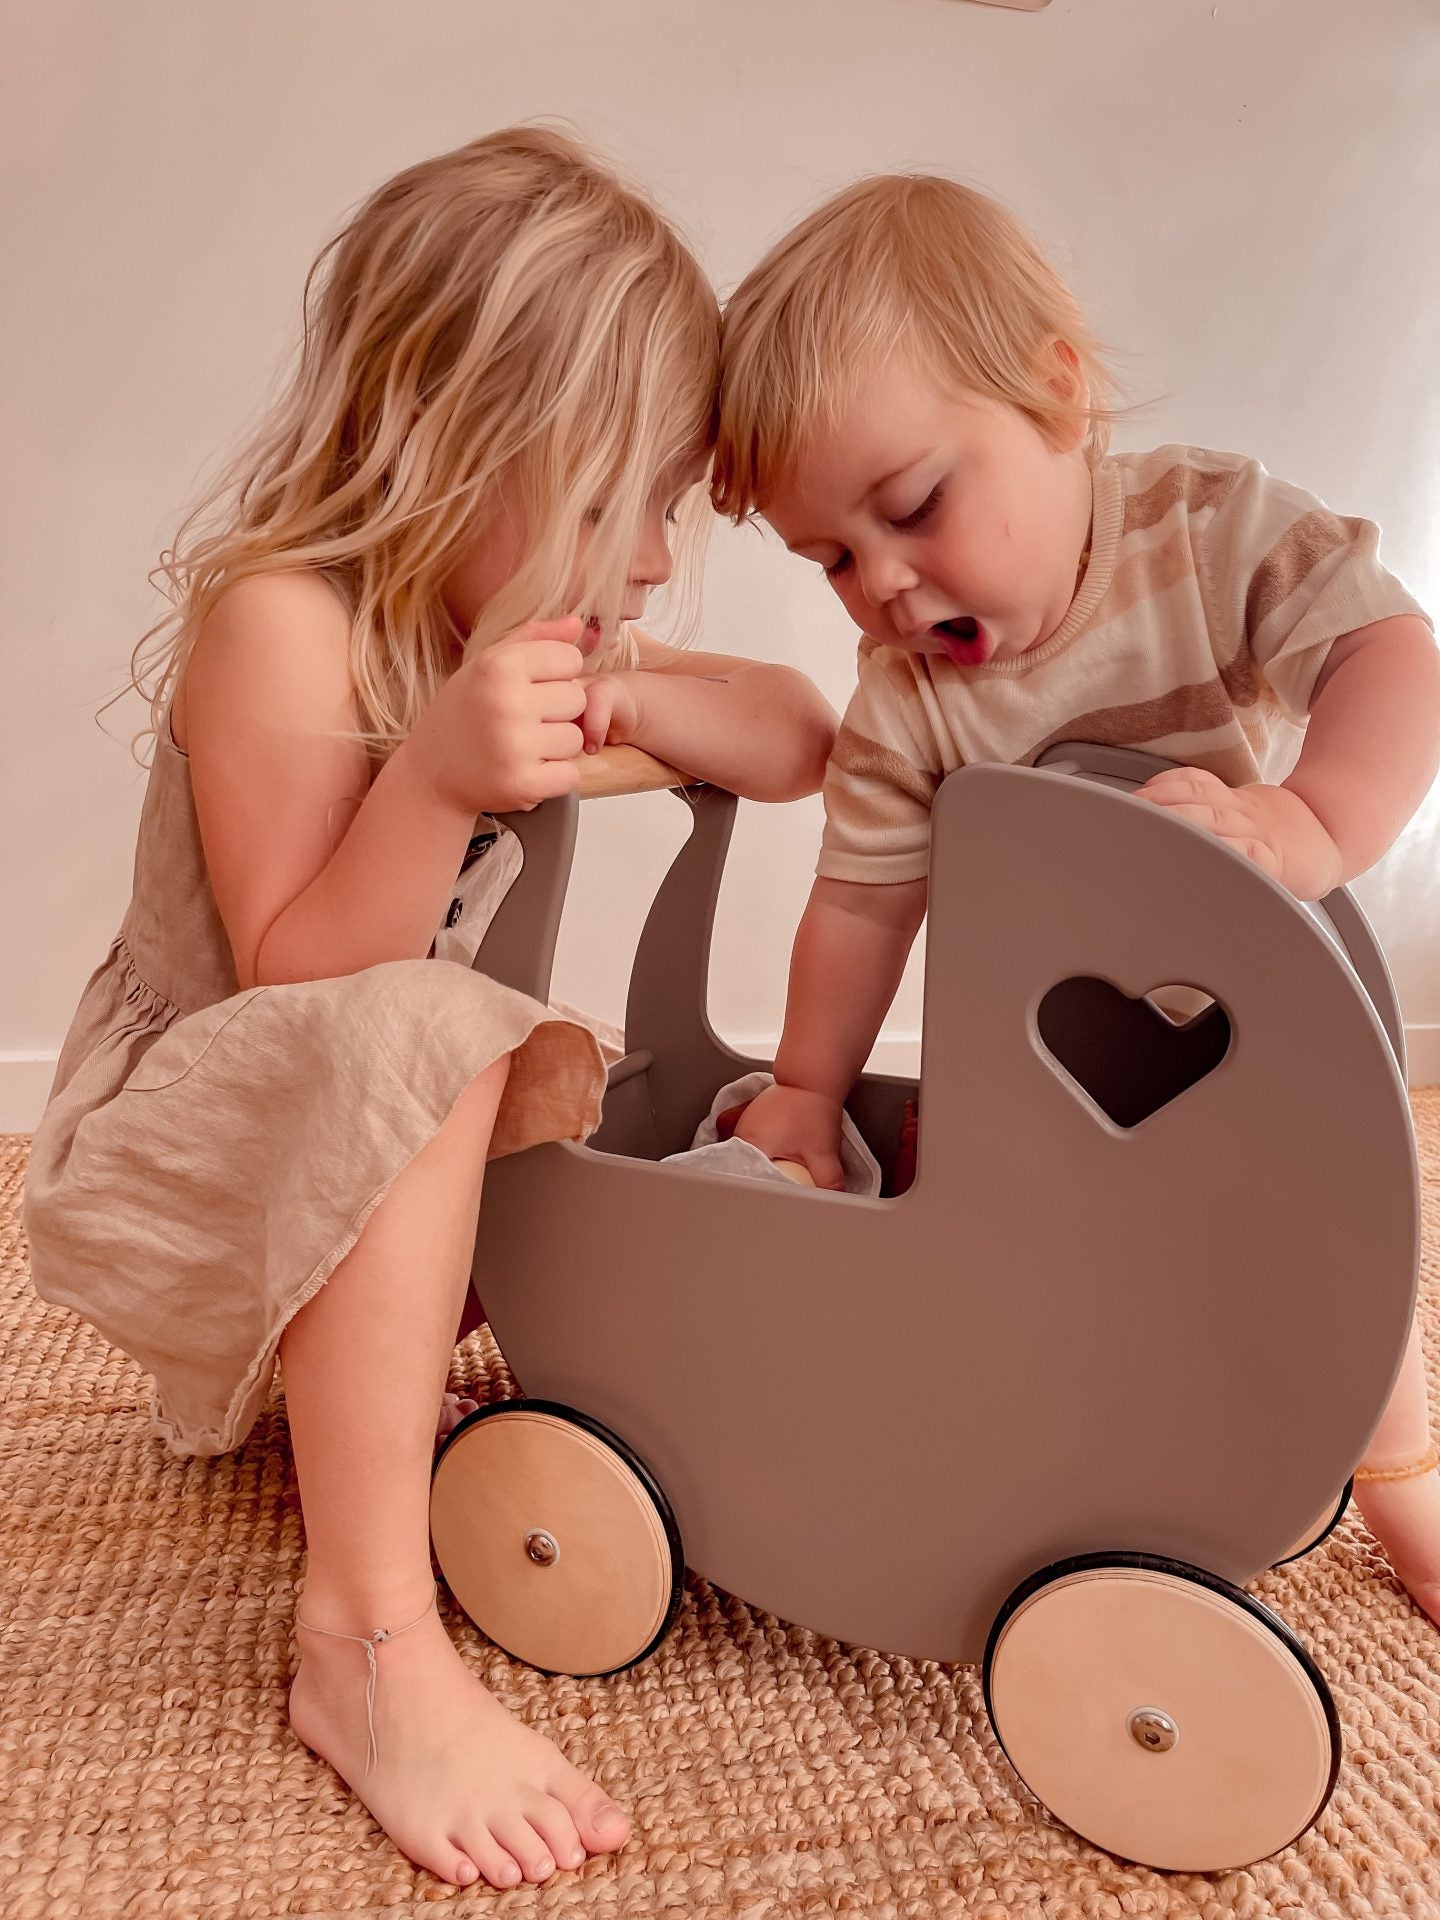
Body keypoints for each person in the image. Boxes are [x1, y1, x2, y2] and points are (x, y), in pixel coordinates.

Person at [23, 127, 835, 1891]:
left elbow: (794, 734)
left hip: (366, 1150)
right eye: (630, 497)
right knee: (439, 1030)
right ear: (474, 441)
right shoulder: (283, 624)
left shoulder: (537, 634)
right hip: (179, 1161)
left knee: (612, 1094)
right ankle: (367, 1643)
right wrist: (433, 787)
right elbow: (302, 978)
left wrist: (626, 685)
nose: (661, 550)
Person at [711, 171, 1440, 1625]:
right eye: (832, 559)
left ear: (1058, 395)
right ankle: (1031, 1466)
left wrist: (1305, 820)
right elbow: (860, 905)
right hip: (1032, 1081)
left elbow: (1394, 657)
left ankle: (1409, 1494)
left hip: (1249, 1049)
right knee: (978, 1259)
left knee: (1327, 1245)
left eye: (914, 506)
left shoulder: (1208, 534)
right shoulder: (905, 699)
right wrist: (802, 1088)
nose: (884, 586)